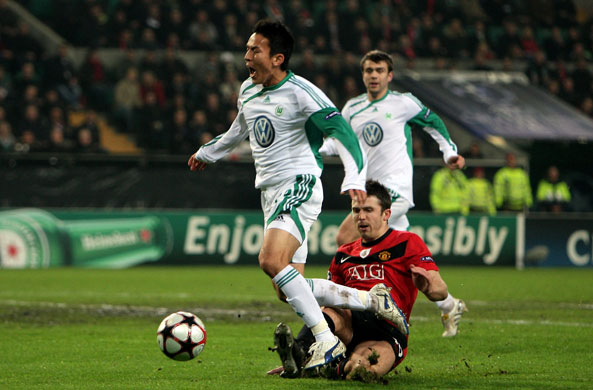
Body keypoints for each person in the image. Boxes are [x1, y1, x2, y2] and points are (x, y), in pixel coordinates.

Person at [188, 20, 367, 372]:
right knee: (286, 289)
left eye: (255, 50)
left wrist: (354, 176)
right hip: (270, 193)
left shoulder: (302, 93)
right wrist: (207, 153)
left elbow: (342, 131)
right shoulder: (248, 90)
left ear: (278, 58)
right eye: (247, 48)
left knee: (270, 260)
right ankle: (370, 302)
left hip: (298, 184)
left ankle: (326, 340)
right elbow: (237, 130)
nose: (247, 56)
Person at [320, 50, 466, 337]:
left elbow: (433, 121)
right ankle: (450, 304)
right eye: (368, 70)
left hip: (394, 192)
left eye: (379, 70)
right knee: (415, 268)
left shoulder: (403, 102)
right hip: (367, 192)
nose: (373, 75)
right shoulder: (352, 108)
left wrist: (449, 152)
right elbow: (340, 143)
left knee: (344, 238)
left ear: (390, 75)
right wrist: (314, 150)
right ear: (362, 75)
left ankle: (348, 308)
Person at [270, 180, 451, 381]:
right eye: (356, 210)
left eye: (368, 210)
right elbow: (330, 302)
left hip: (387, 330)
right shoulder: (344, 253)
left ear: (386, 214)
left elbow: (440, 291)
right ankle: (300, 352)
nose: (361, 217)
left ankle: (327, 366)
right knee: (332, 309)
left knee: (360, 370)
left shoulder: (407, 243)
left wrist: (427, 287)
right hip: (351, 324)